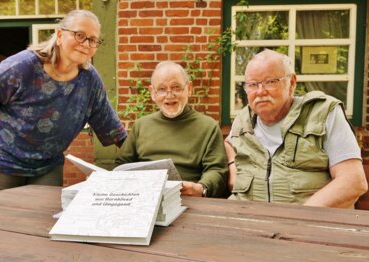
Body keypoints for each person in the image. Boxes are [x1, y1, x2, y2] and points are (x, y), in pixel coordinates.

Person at [0, 10, 127, 191]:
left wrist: (141, 159)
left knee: (45, 216)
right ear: (59, 35)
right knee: (7, 216)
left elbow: (108, 121)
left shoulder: (90, 79)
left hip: (47, 164)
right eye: (79, 35)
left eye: (93, 40)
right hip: (2, 158)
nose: (86, 44)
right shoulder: (22, 66)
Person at [226, 49, 367, 208]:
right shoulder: (243, 118)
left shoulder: (323, 112)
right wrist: (232, 166)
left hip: (310, 225)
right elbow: (229, 143)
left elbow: (353, 181)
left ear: (291, 83)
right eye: (252, 84)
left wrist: (299, 217)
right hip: (249, 221)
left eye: (270, 82)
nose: (260, 91)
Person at [115, 61, 228, 198]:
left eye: (176, 87)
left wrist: (200, 188)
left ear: (189, 89)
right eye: (162, 89)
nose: (169, 95)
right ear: (153, 93)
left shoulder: (208, 127)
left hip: (187, 200)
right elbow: (122, 165)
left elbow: (217, 170)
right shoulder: (141, 125)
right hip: (145, 197)